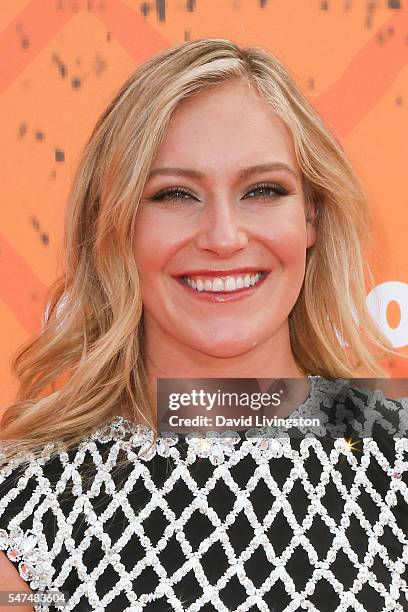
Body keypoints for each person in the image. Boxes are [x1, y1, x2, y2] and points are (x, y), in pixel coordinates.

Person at [0, 38, 407, 612]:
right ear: (115, 225)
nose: (222, 237)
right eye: (175, 194)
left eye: (263, 190)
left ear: (311, 214)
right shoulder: (25, 508)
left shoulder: (397, 456)